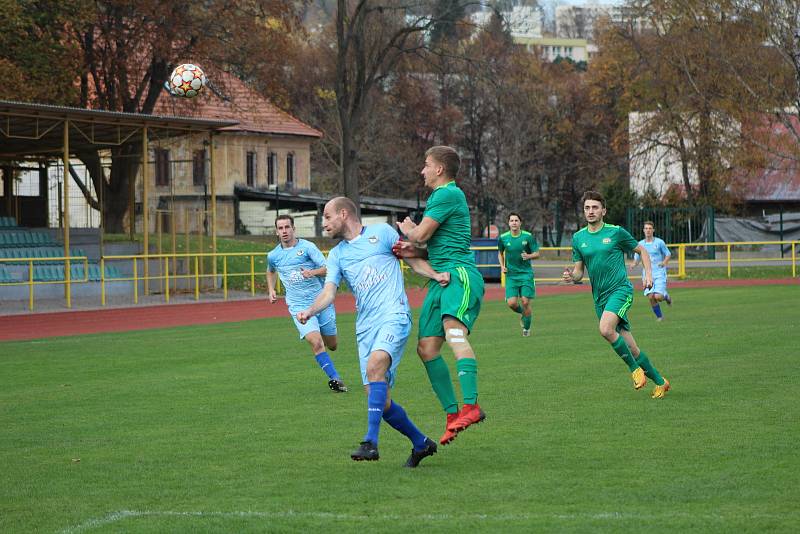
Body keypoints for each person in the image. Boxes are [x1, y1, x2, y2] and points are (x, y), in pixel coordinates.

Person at [298, 197, 447, 467]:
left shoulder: (383, 232)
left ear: (344, 214)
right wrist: (310, 311)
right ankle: (421, 443)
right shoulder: (338, 255)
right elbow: (329, 292)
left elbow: (412, 258)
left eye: (328, 217)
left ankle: (370, 442)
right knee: (380, 398)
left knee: (377, 365)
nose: (325, 224)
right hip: (365, 327)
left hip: (394, 314)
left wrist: (435, 275)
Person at [395, 145, 486, 446]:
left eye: (425, 164)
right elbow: (429, 245)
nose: (422, 170)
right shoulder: (441, 198)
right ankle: (452, 415)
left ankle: (471, 406)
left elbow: (420, 235)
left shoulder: (447, 194)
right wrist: (413, 250)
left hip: (459, 275)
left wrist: (409, 230)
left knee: (454, 334)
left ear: (438, 169)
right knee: (427, 348)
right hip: (440, 279)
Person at [562, 191, 671, 399]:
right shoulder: (578, 238)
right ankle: (660, 382)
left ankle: (635, 370)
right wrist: (571, 276)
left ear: (603, 210)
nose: (591, 211)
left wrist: (648, 275)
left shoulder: (616, 232)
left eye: (595, 207)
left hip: (620, 291)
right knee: (632, 347)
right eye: (587, 208)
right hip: (600, 298)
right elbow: (578, 272)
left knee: (605, 329)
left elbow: (642, 251)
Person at [267, 214, 347, 393]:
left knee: (332, 345)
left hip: (320, 302)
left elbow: (328, 269)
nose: (284, 231)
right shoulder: (273, 255)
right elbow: (271, 271)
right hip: (298, 307)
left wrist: (312, 273)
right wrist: (271, 289)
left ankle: (326, 346)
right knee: (316, 343)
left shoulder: (308, 248)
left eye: (287, 227)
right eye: (281, 228)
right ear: (277, 232)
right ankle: (336, 379)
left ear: (294, 229)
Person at [497, 212, 540, 337]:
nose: (514, 223)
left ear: (520, 223)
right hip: (511, 275)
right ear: (508, 223)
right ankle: (524, 314)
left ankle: (526, 329)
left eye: (516, 220)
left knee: (526, 302)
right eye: (511, 220)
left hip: (526, 274)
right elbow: (499, 253)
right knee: (512, 304)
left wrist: (529, 255)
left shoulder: (528, 237)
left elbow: (537, 253)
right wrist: (502, 266)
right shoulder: (503, 238)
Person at [633, 221, 672, 321]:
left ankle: (666, 296)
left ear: (653, 230)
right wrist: (634, 263)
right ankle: (660, 317)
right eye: (646, 228)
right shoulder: (640, 244)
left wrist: (664, 262)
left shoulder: (659, 242)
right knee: (651, 297)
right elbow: (637, 258)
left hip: (659, 273)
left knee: (658, 297)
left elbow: (668, 254)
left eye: (650, 228)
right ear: (643, 230)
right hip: (647, 275)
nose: (648, 230)